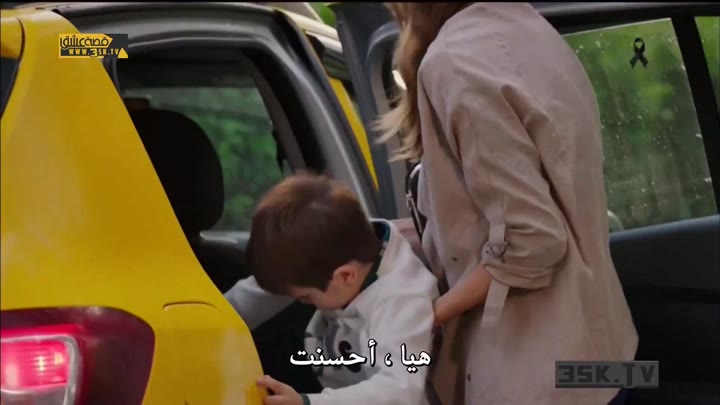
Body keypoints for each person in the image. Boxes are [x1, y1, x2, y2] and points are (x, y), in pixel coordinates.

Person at [376, 3, 638, 405]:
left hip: (535, 374)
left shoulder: (455, 60)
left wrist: (426, 315)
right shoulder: (531, 30)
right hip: (605, 357)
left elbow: (534, 240)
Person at [227, 173, 438, 405]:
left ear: (345, 275)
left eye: (306, 297)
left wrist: (308, 402)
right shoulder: (338, 248)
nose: (303, 301)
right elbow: (270, 289)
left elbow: (399, 391)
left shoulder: (401, 301)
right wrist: (217, 317)